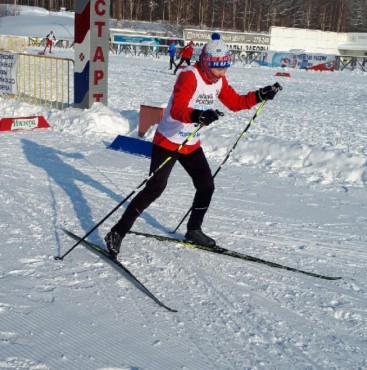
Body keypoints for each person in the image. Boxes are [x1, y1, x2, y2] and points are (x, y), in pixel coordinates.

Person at [105, 33, 282, 257]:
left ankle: (194, 230)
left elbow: (236, 103)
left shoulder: (219, 80)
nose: (222, 73)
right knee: (154, 189)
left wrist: (260, 95)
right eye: (219, 68)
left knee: (206, 185)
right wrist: (199, 115)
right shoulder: (189, 76)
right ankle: (116, 232)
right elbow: (178, 109)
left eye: (226, 67)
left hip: (190, 143)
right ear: (207, 64)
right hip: (168, 141)